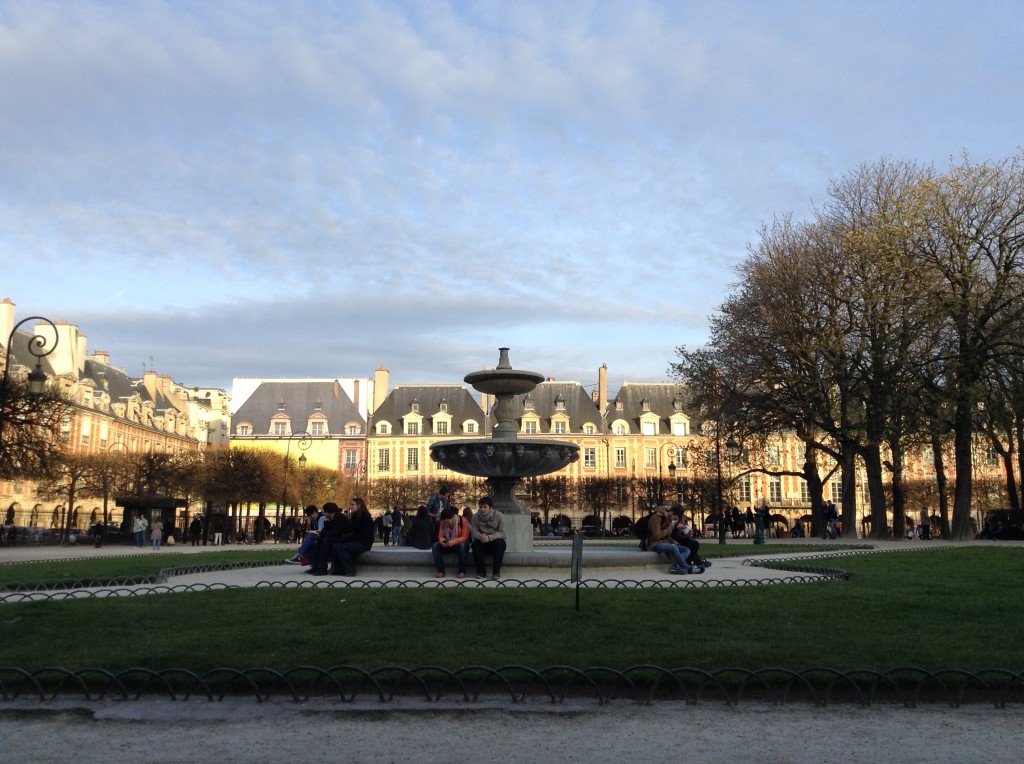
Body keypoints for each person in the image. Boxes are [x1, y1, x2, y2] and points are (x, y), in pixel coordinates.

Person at [647, 505, 702, 574]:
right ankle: (687, 568)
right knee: (673, 548)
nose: (674, 520)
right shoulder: (656, 518)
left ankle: (675, 566)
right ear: (671, 513)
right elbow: (657, 536)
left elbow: (666, 536)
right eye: (674, 517)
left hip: (664, 542)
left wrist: (673, 542)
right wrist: (669, 528)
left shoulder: (667, 520)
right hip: (654, 544)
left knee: (686, 550)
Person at [331, 497, 375, 576]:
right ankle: (339, 569)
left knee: (341, 547)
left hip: (364, 543)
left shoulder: (366, 517)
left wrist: (350, 539)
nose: (350, 506)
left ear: (359, 506)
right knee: (335, 546)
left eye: (352, 505)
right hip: (357, 541)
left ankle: (350, 569)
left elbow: (364, 534)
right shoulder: (355, 516)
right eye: (350, 505)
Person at [306, 502, 351, 575]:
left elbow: (333, 533)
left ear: (328, 512)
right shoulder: (334, 517)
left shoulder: (339, 518)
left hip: (343, 539)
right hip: (340, 537)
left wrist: (322, 532)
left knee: (325, 541)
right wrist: (326, 523)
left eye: (325, 513)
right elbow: (329, 531)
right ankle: (318, 566)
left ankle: (322, 567)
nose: (324, 515)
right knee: (317, 542)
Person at [470, 496, 507, 579]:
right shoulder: (475, 517)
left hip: (495, 541)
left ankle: (496, 572)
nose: (482, 509)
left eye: (485, 507)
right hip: (482, 541)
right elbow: (474, 531)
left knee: (500, 543)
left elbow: (502, 533)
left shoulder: (499, 516)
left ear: (491, 508)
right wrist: (481, 536)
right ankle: (481, 572)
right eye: (480, 507)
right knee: (475, 544)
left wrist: (489, 537)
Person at [431, 507, 470, 579]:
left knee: (462, 546)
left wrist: (454, 541)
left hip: (459, 543)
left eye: (448, 522)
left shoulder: (462, 520)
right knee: (435, 546)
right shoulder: (443, 522)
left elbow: (465, 536)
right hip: (448, 543)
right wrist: (442, 541)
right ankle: (440, 571)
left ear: (452, 517)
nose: (447, 524)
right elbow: (440, 535)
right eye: (445, 522)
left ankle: (462, 571)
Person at [670, 504, 711, 571]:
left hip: (677, 537)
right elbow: (672, 533)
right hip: (673, 539)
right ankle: (691, 561)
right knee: (688, 543)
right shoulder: (671, 519)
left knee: (694, 543)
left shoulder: (678, 518)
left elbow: (677, 531)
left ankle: (696, 560)